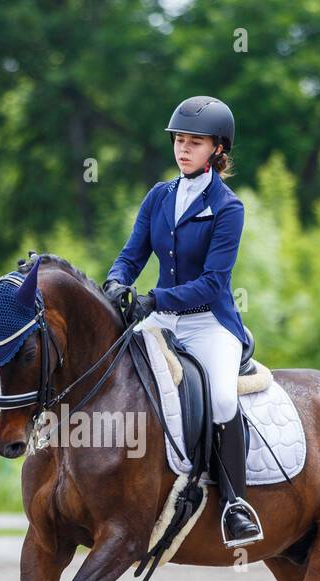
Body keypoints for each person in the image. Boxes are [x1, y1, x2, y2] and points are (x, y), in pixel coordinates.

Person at [102, 94, 263, 548]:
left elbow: (213, 283)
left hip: (209, 323)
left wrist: (153, 299)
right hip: (162, 321)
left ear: (217, 149)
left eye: (194, 141)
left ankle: (235, 503)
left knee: (223, 401)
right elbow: (132, 255)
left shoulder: (228, 207)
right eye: (179, 140)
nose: (183, 149)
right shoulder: (159, 196)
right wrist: (117, 283)